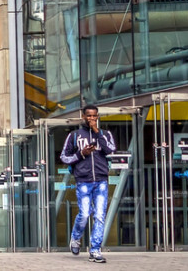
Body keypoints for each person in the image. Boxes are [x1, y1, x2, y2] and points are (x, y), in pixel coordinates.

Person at [60, 106, 117, 263]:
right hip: (83, 180)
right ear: (83, 116)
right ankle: (76, 238)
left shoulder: (105, 134)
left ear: (98, 116)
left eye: (94, 116)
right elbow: (64, 157)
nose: (91, 118)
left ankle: (95, 250)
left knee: (99, 215)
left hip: (101, 180)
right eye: (88, 116)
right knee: (85, 213)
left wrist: (97, 132)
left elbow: (110, 150)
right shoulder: (74, 135)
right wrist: (81, 154)